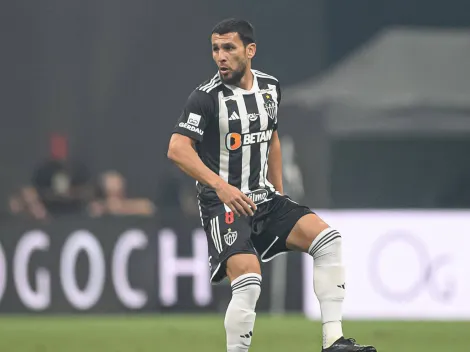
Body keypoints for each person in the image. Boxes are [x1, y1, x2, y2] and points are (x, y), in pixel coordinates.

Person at [167, 18, 377, 352]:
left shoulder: (270, 87)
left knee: (329, 241)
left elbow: (272, 139)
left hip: (265, 199)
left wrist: (279, 192)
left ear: (250, 51)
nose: (220, 56)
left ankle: (333, 341)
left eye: (229, 48)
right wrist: (220, 186)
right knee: (249, 283)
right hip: (224, 206)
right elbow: (177, 149)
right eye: (215, 49)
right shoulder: (204, 98)